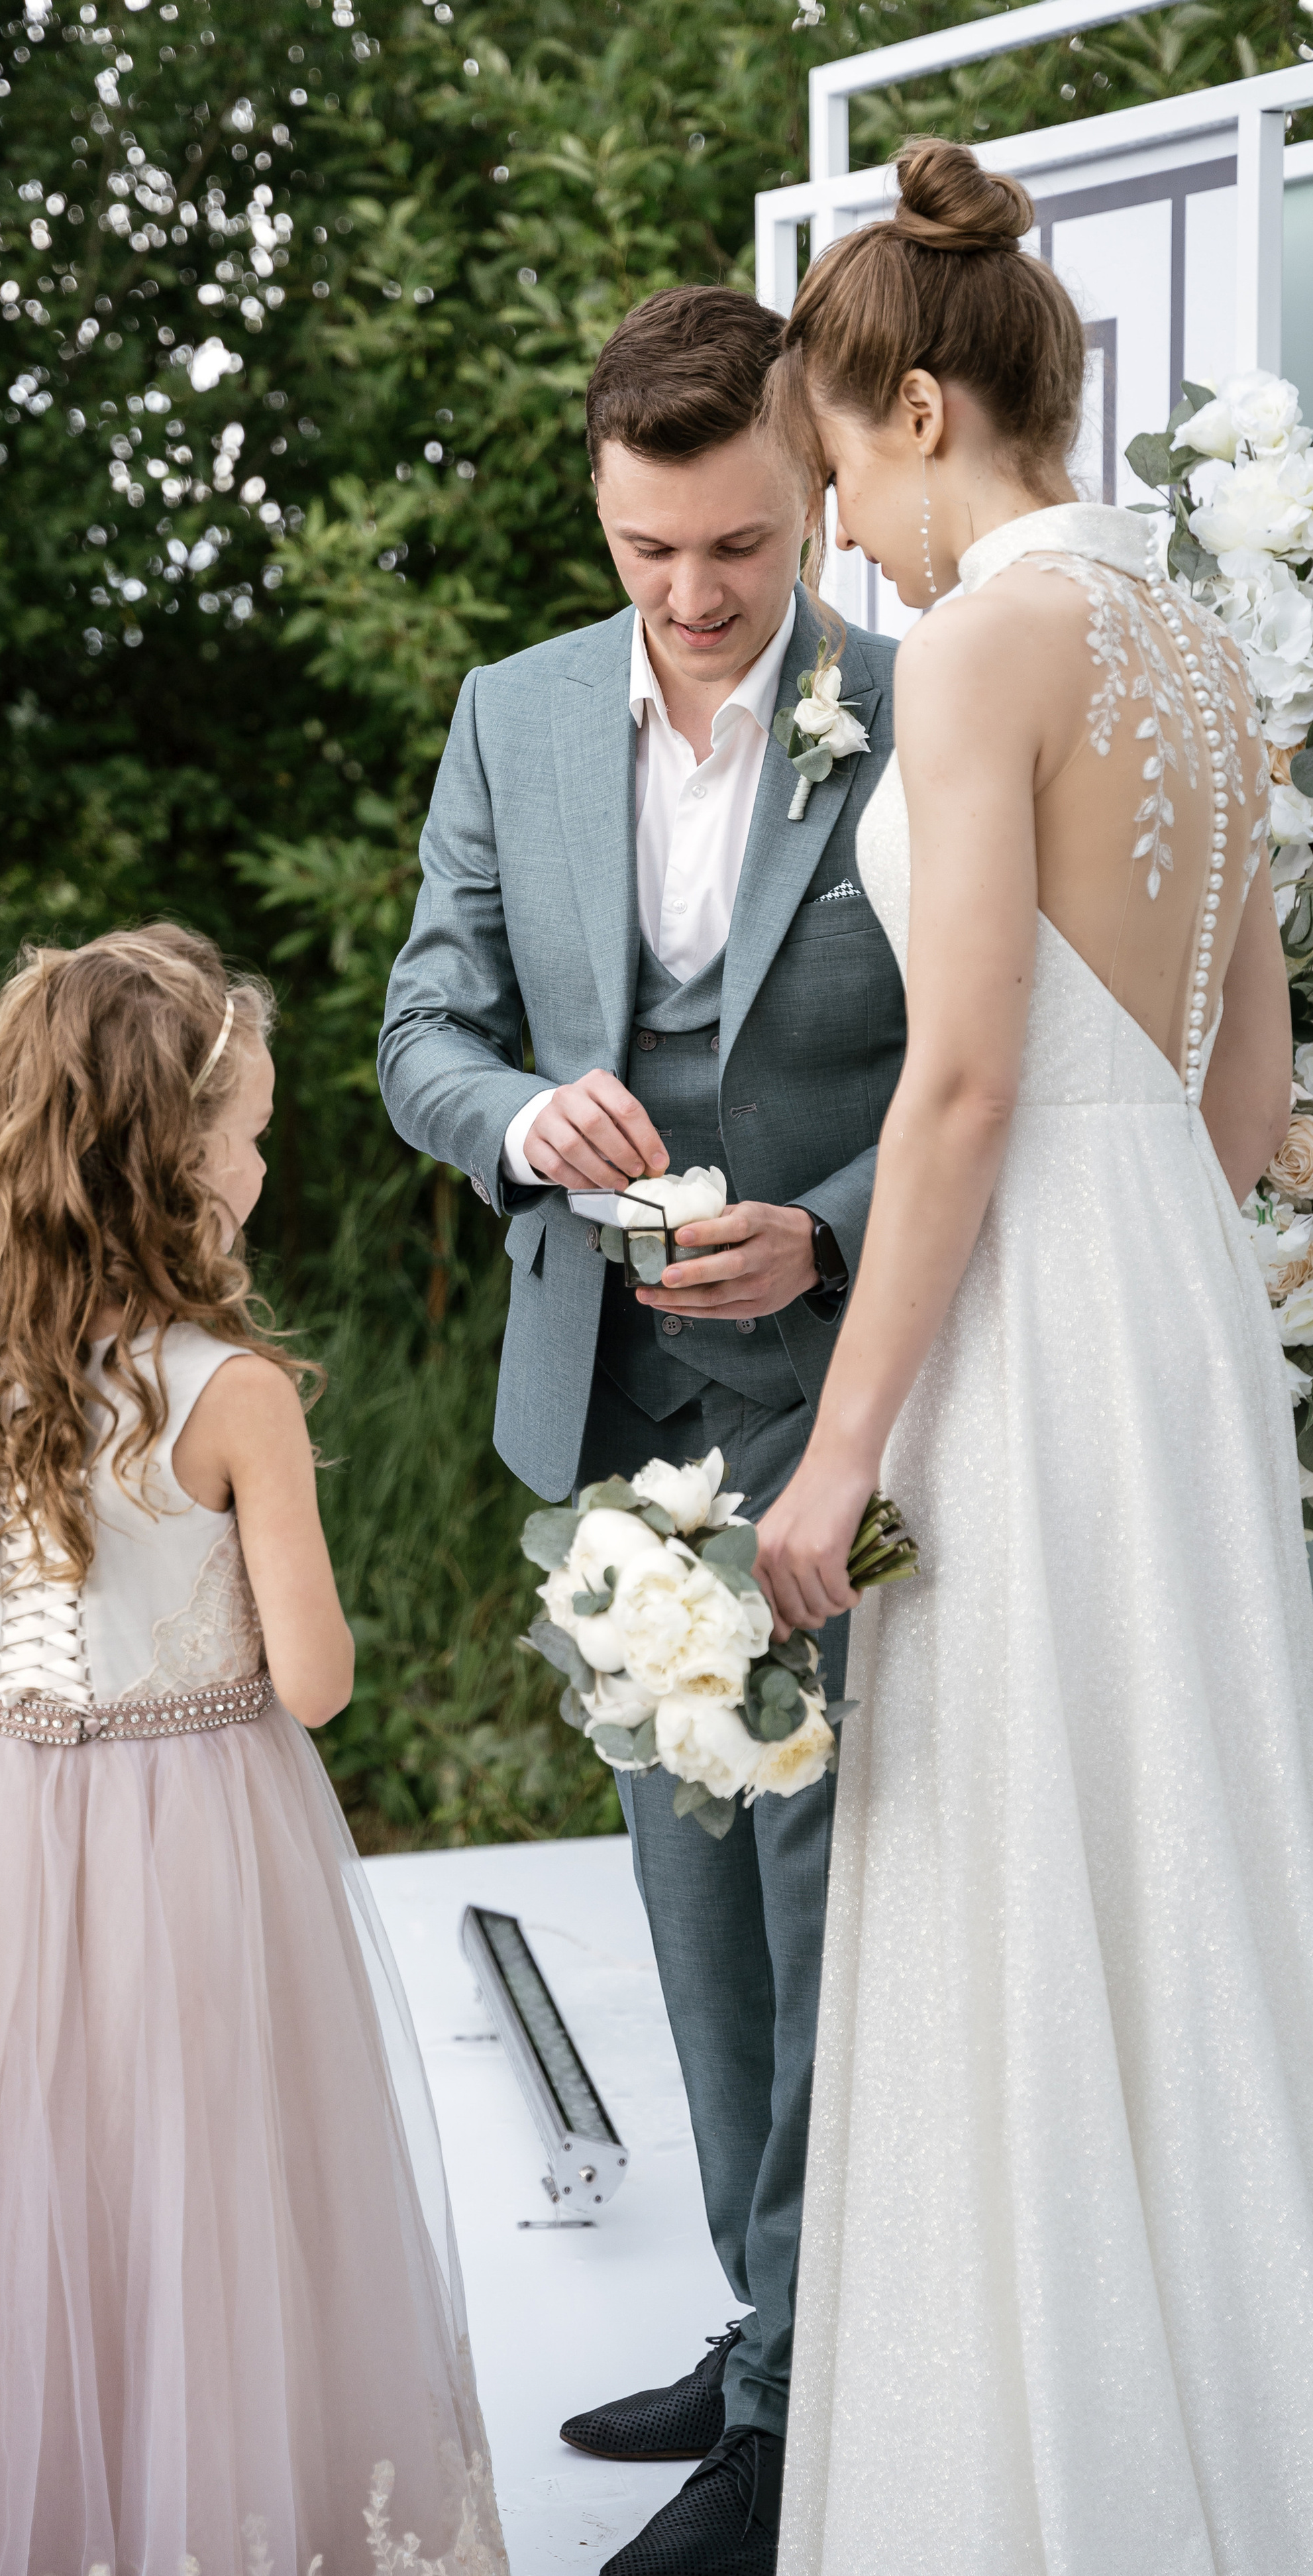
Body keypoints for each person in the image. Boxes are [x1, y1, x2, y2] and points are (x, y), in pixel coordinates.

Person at [751, 139, 1313, 2575]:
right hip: (1174, 1313)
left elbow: (963, 1083)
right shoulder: (1195, 644)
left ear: (914, 411)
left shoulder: (985, 647)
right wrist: (1163, 1274)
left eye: (837, 480)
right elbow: (1252, 1093)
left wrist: (836, 1451)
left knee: (1023, 1864)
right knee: (1187, 1860)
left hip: (1033, 1313)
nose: (847, 541)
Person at [0, 925, 506, 2576]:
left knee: (10, 2178)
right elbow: (316, 1682)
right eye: (251, 1132)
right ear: (176, 1166)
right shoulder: (236, 1393)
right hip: (199, 1828)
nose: (263, 1160)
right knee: (204, 2174)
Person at [378, 286, 904, 2576]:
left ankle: (801, 2418)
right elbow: (423, 1024)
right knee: (693, 1900)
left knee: (826, 1901)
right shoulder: (510, 716)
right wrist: (517, 1119)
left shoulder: (920, 715)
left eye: (739, 549)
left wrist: (829, 1233)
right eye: (645, 551)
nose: (693, 597)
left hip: (845, 1407)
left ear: (819, 501)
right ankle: (766, 2326)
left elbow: (994, 1077)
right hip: (605, 1409)